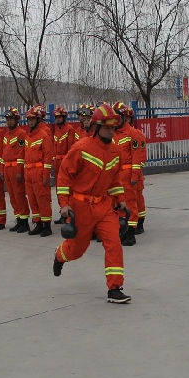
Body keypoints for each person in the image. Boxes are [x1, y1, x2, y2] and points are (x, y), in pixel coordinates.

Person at [52, 102, 132, 304]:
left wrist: (121, 200)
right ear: (97, 127)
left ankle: (115, 288)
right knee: (77, 250)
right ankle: (60, 256)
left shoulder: (115, 151)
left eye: (114, 127)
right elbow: (64, 176)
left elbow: (115, 180)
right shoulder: (81, 148)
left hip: (104, 206)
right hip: (81, 207)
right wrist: (64, 204)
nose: (111, 131)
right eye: (107, 127)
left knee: (114, 243)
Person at [23, 104, 55, 236]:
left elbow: (48, 157)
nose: (30, 122)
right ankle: (38, 223)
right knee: (32, 199)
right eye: (29, 119)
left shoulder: (44, 135)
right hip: (28, 172)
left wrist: (46, 175)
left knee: (42, 198)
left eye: (33, 119)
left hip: (39, 171)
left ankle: (47, 225)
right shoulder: (28, 136)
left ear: (38, 120)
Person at [0, 107, 31, 233]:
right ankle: (18, 219)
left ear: (16, 120)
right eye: (7, 119)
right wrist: (2, 170)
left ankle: (24, 222)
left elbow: (21, 154)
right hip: (7, 168)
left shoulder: (21, 134)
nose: (9, 121)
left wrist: (19, 171)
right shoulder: (6, 135)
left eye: (11, 119)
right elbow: (3, 154)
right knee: (12, 196)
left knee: (19, 195)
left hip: (15, 168)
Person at [112, 102, 138, 246]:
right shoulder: (112, 134)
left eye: (118, 117)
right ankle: (122, 231)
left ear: (123, 117)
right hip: (115, 175)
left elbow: (137, 157)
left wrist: (135, 176)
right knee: (117, 204)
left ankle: (131, 234)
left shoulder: (132, 133)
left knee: (130, 203)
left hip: (127, 175)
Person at [123, 105, 148, 234]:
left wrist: (135, 175)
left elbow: (139, 156)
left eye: (127, 118)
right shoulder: (116, 134)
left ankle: (139, 223)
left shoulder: (135, 134)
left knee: (137, 199)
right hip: (123, 175)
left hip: (134, 175)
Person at [51, 106, 74, 224]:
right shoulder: (56, 130)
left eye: (59, 117)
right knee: (59, 190)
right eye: (56, 117)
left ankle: (69, 214)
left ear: (64, 118)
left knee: (67, 189)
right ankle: (62, 212)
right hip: (56, 163)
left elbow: (70, 150)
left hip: (65, 163)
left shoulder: (69, 129)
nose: (57, 119)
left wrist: (68, 164)